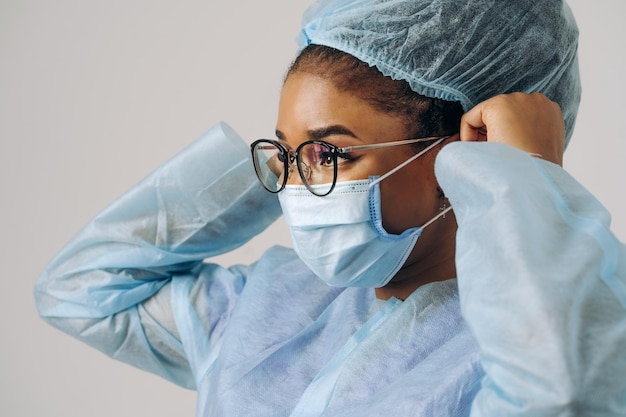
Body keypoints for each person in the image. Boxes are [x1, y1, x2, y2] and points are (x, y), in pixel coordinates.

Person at [35, 0, 626, 416]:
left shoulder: (540, 339)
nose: (296, 187)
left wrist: (526, 186)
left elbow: (566, 400)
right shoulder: (263, 306)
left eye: (329, 152)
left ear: (463, 157)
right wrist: (275, 161)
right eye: (287, 157)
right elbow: (80, 289)